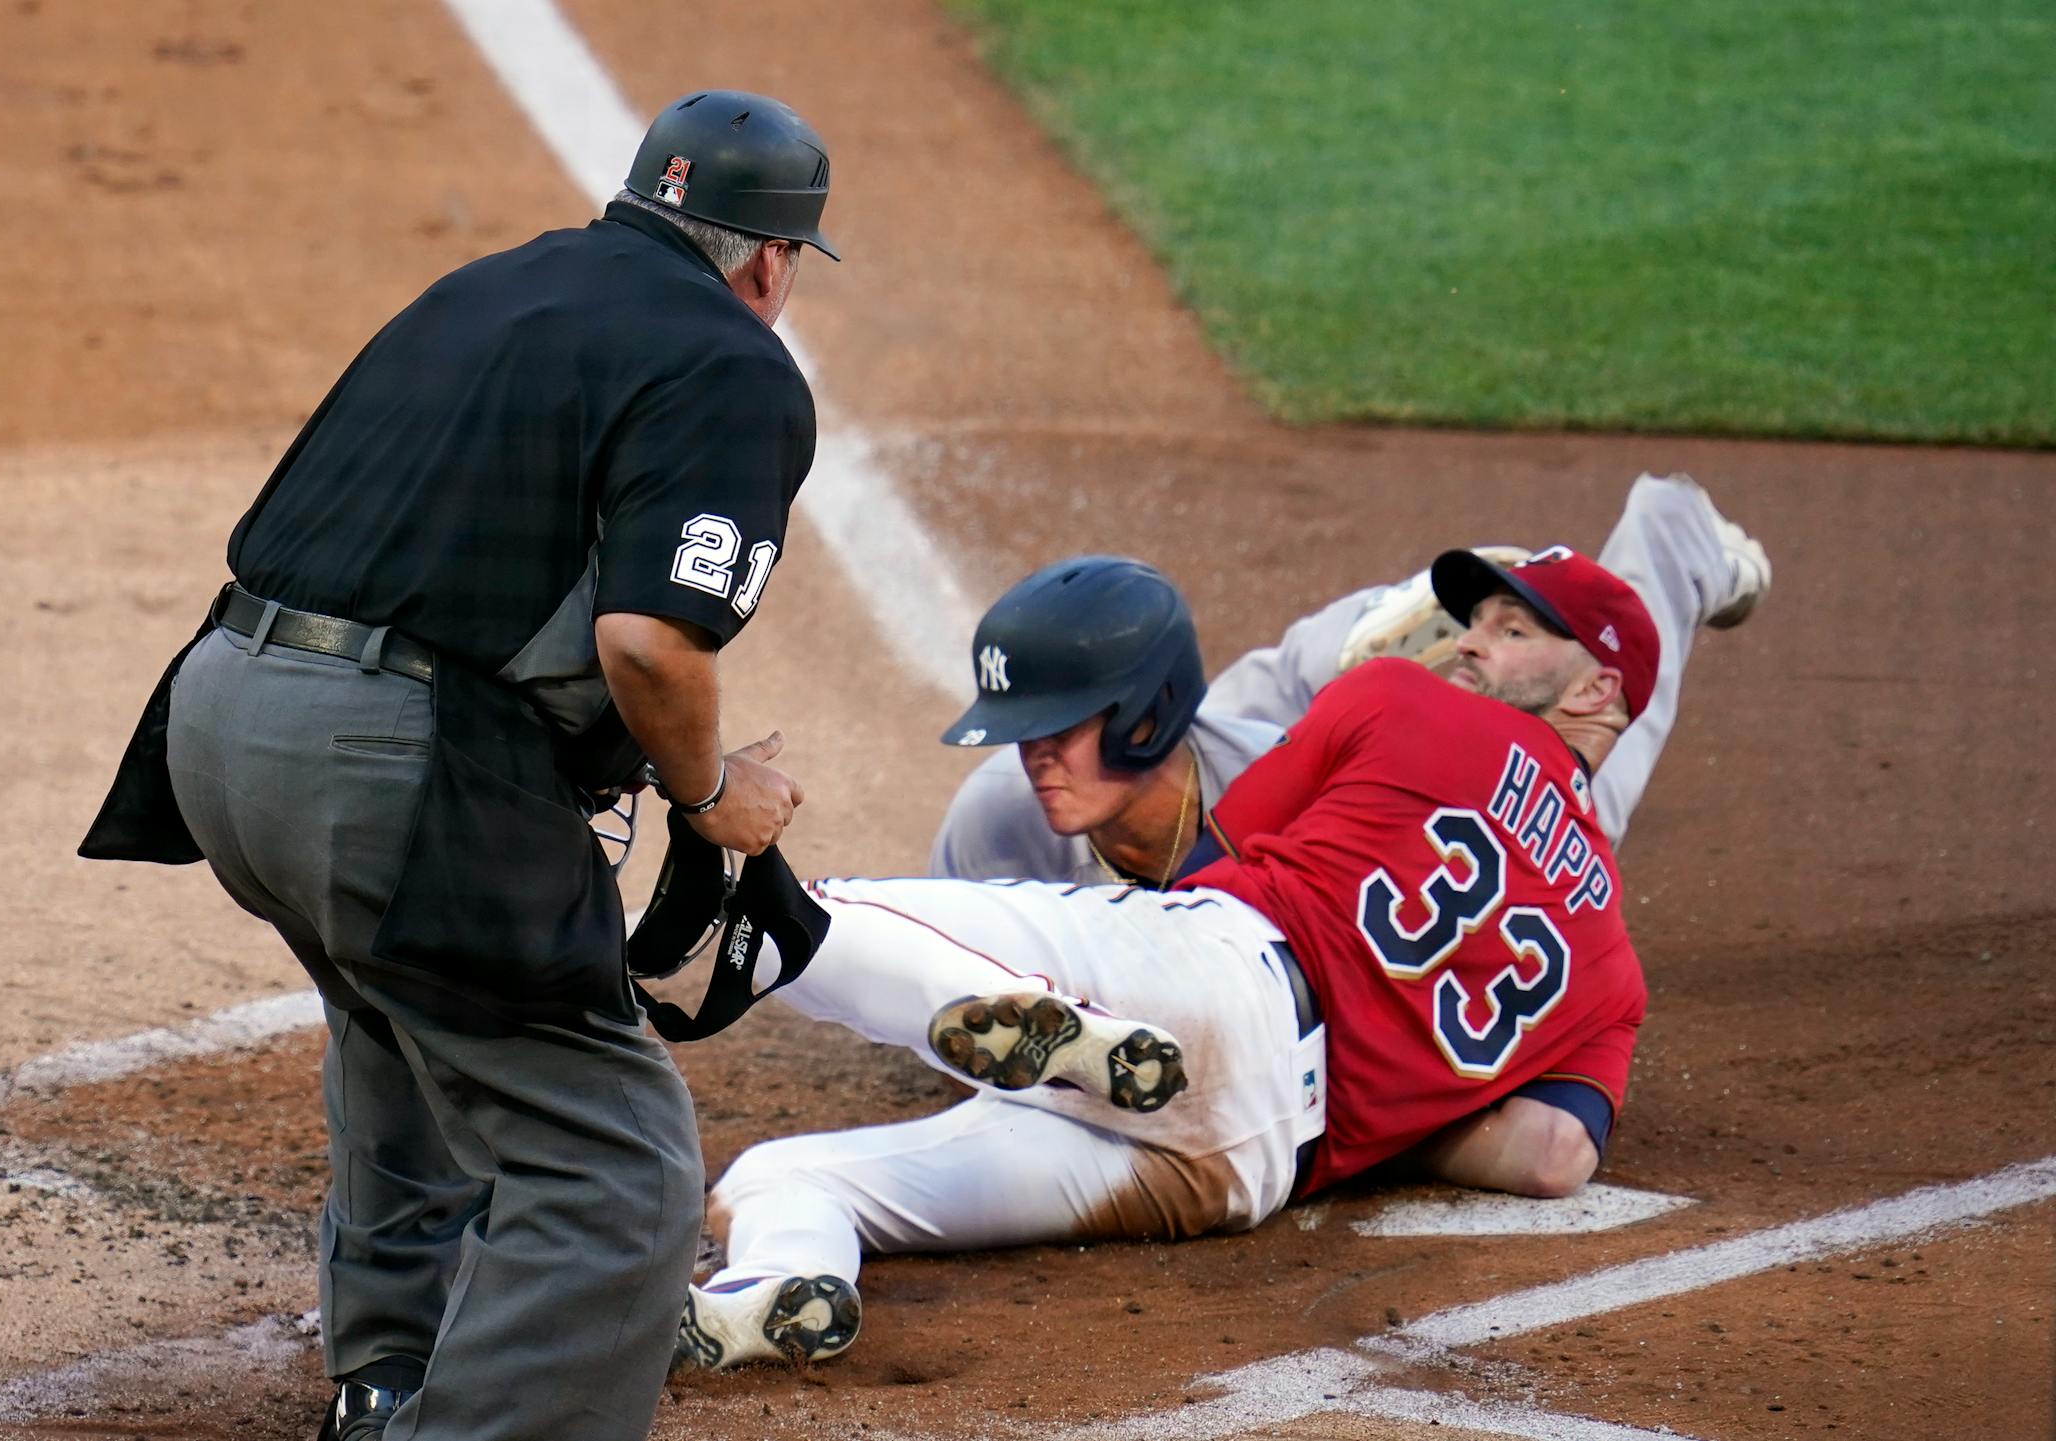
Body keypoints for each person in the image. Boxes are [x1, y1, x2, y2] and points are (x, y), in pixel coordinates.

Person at [79, 90, 833, 1441]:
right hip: (383, 770)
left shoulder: (490, 289)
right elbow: (653, 645)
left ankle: (388, 1380)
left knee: (398, 1020)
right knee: (613, 1161)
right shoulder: (733, 359)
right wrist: (714, 793)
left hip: (216, 719)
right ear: (772, 260)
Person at [673, 543, 1676, 1372]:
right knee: (786, 1177)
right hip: (1251, 1166)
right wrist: (1387, 1096)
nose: (1466, 645)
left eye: (1508, 632)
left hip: (1221, 981)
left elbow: (1217, 855)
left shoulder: (1404, 701)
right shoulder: (1611, 974)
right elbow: (1553, 1157)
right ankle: (777, 1284)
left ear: (1596, 687)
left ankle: (736, 960)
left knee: (816, 911)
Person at [926, 472, 1769, 1194]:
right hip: (1338, 734)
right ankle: (1402, 635)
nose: (1039, 756)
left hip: (1361, 758)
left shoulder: (1309, 771)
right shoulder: (1002, 817)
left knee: (1564, 785)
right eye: (1481, 627)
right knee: (1308, 687)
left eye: (1506, 628)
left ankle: (1671, 537)